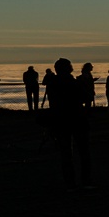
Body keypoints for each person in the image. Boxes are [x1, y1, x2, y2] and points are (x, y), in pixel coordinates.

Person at [46, 58, 92, 190]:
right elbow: (87, 97)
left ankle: (70, 181)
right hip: (77, 119)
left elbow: (53, 102)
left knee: (66, 153)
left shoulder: (53, 83)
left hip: (60, 120)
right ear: (69, 68)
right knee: (84, 152)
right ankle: (85, 180)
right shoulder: (73, 82)